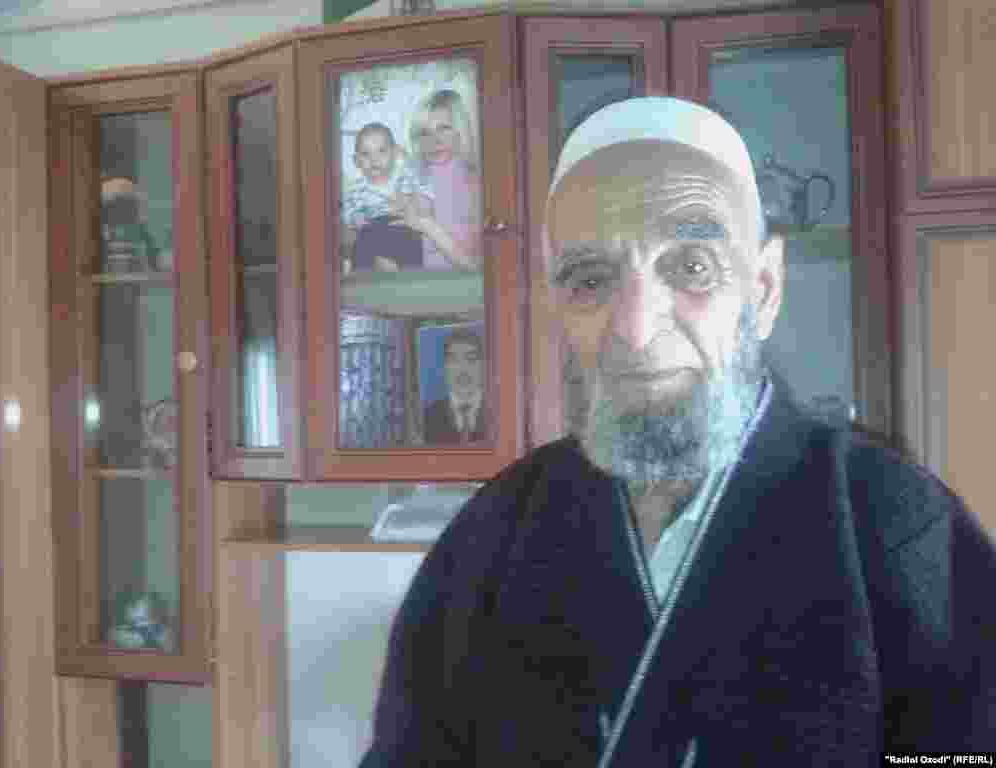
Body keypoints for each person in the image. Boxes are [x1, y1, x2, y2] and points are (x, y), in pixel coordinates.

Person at [359, 97, 996, 766]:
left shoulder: (897, 528)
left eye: (691, 266)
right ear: (557, 306)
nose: (636, 331)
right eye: (590, 279)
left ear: (763, 289)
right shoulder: (487, 538)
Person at [391, 89, 482, 271]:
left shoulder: (476, 182)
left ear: (460, 131)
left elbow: (474, 267)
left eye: (443, 128)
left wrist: (427, 226)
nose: (435, 141)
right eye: (425, 132)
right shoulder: (412, 179)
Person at [341, 121, 432, 272]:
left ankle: (414, 278)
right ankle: (361, 278)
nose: (374, 159)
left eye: (381, 151)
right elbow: (347, 210)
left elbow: (421, 187)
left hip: (402, 227)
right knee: (362, 245)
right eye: (365, 154)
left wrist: (412, 203)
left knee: (412, 243)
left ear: (394, 153)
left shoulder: (403, 177)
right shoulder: (356, 189)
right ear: (356, 161)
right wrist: (355, 218)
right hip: (372, 229)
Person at [422, 327, 487, 444]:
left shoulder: (501, 410)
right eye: (453, 361)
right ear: (444, 368)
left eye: (471, 359)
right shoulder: (427, 417)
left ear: (483, 365)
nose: (462, 370)